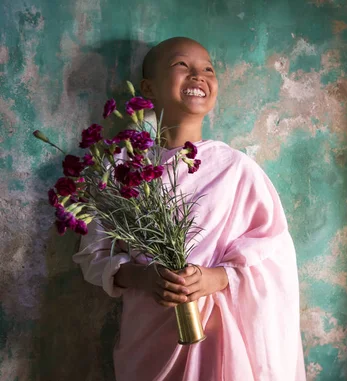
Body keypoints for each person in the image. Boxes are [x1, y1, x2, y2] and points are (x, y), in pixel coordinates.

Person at [74, 37, 307, 381]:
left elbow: (274, 255)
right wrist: (145, 277)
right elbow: (93, 254)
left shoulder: (235, 169)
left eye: (208, 69)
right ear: (148, 88)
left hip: (219, 341)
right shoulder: (122, 168)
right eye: (182, 65)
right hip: (149, 339)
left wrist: (214, 278)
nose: (198, 76)